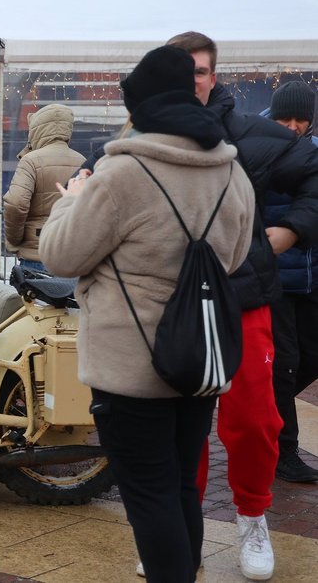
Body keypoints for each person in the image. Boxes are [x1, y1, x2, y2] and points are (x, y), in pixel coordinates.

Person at [39, 45, 256, 583]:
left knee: (149, 494)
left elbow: (61, 256)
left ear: (141, 106)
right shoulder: (232, 173)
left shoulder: (119, 175)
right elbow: (233, 259)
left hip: (129, 368)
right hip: (198, 359)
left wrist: (71, 199)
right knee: (180, 484)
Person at [166, 31, 318, 581]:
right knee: (179, 427)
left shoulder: (251, 133)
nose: (191, 81)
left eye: (199, 71)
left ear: (214, 76)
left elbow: (313, 175)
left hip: (244, 297)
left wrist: (289, 232)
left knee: (254, 422)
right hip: (173, 304)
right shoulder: (141, 136)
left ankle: (253, 516)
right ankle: (177, 532)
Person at [263, 80, 318, 483]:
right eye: (287, 118)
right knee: (284, 363)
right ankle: (284, 452)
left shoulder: (315, 150)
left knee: (310, 357)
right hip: (275, 276)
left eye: (302, 119)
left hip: (312, 276)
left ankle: (265, 406)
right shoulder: (255, 149)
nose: (294, 126)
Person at [2, 103, 84, 272]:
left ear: (37, 130)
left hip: (37, 253)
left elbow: (16, 203)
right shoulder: (82, 161)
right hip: (72, 255)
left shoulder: (31, 161)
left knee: (35, 291)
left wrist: (15, 240)